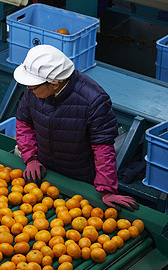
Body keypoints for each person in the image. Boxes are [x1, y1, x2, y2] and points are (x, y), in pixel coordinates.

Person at [13, 44, 139, 211]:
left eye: (32, 86)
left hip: (79, 176)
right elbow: (24, 123)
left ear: (54, 84)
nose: (28, 89)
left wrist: (107, 190)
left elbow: (103, 148)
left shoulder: (94, 101)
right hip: (45, 172)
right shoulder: (35, 89)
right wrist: (31, 157)